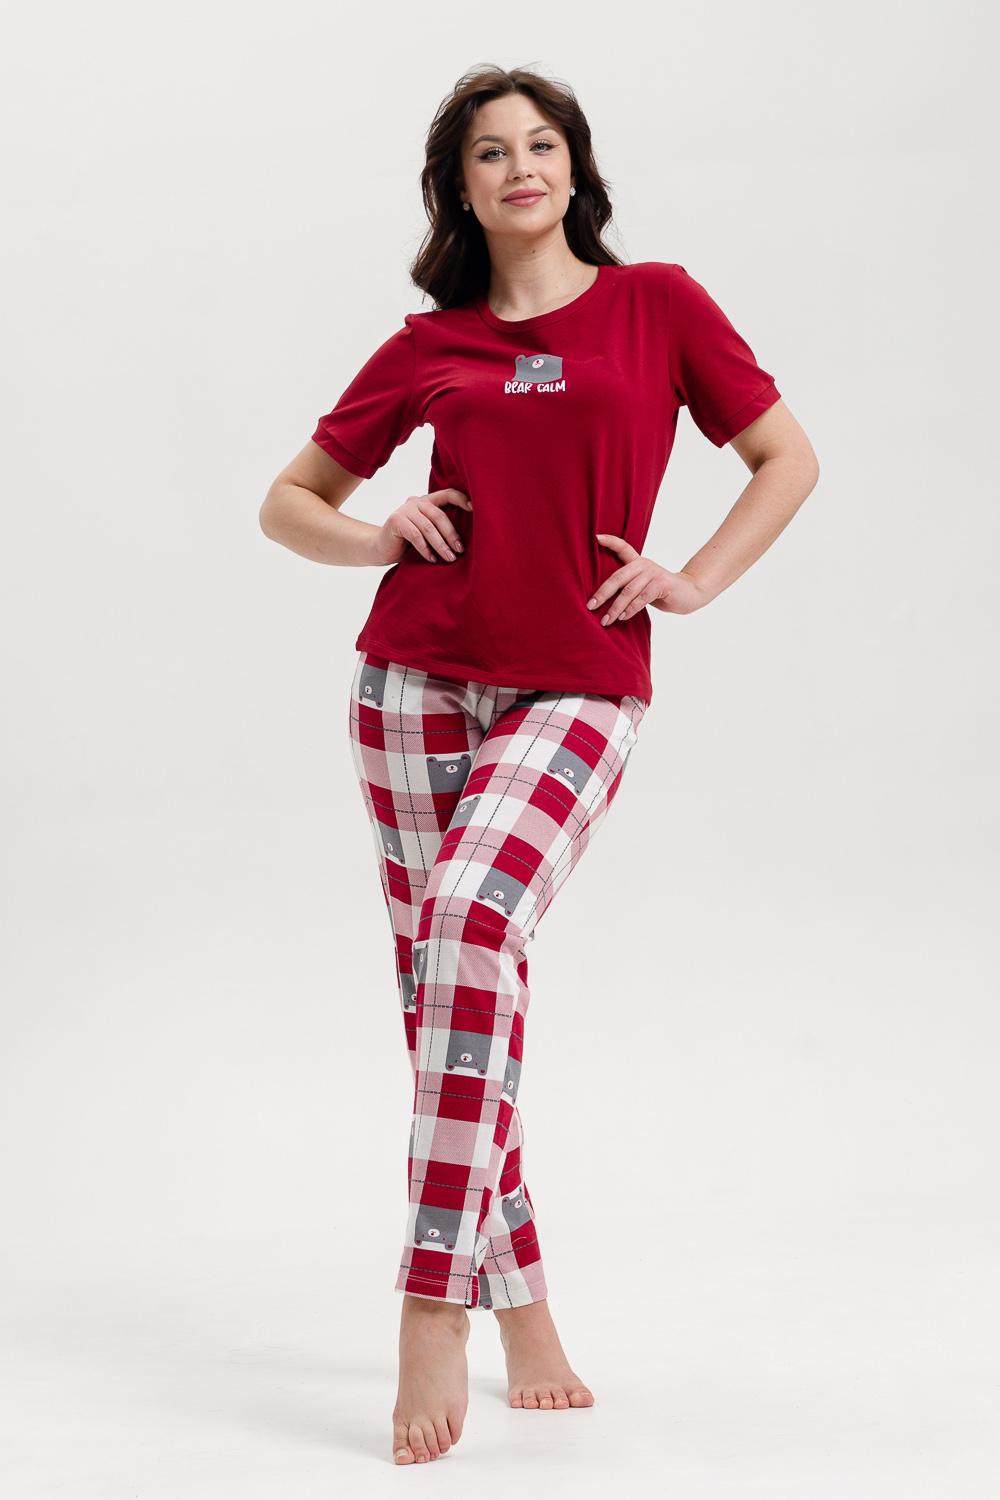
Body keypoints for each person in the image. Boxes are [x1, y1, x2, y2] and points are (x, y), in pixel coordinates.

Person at [259, 63, 819, 1467]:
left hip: (578, 682)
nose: (522, 166)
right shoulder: (429, 344)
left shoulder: (658, 307)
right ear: (459, 189)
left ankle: (430, 1298)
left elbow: (786, 458)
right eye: (491, 152)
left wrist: (693, 578)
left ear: (577, 169)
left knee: (468, 926)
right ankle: (526, 1310)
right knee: (451, 996)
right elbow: (287, 503)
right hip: (412, 684)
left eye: (543, 143)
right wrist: (379, 533)